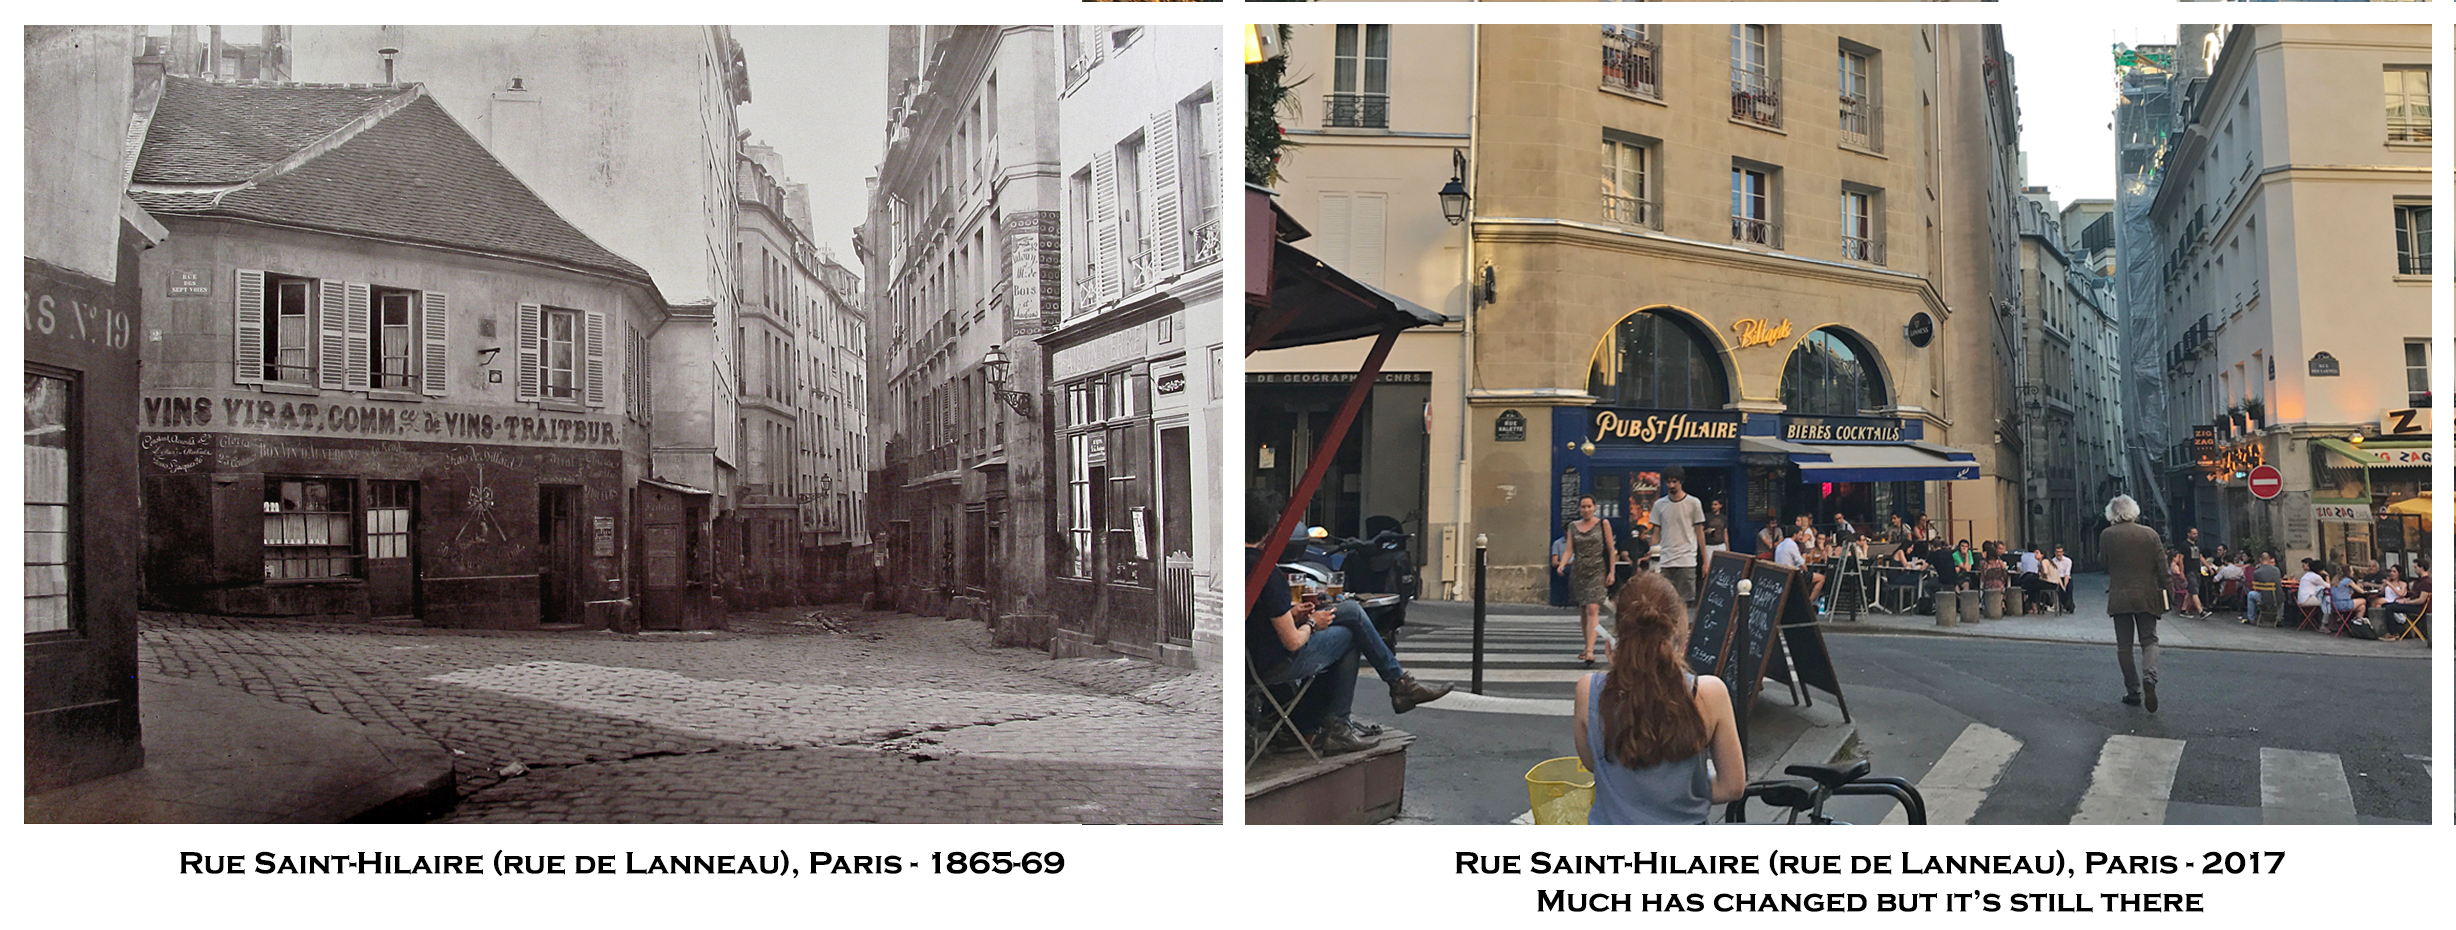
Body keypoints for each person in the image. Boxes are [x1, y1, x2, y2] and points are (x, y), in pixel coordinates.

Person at [1248, 496, 1452, 754]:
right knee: (1350, 633)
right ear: (1269, 532)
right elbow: (1292, 642)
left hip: (1250, 659)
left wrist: (1293, 614)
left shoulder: (1241, 565)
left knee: (1350, 613)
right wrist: (1312, 622)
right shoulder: (1266, 572)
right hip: (1270, 664)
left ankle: (1313, 724)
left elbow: (1258, 618)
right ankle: (1344, 723)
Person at [1573, 573, 1746, 824]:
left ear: (1617, 636)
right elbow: (1732, 786)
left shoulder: (1588, 690)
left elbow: (1593, 764)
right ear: (1678, 633)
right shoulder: (1709, 694)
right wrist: (1686, 792)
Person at [2101, 495, 2166, 712]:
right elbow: (2162, 568)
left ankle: (2133, 690)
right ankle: (2150, 676)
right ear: (2134, 511)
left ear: (2112, 513)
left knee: (2124, 646)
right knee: (2150, 640)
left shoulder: (2107, 535)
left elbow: (2103, 562)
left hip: (2120, 595)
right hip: (2147, 594)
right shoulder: (2150, 534)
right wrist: (2169, 594)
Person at [1556, 494, 1619, 666]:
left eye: (1589, 506)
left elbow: (1610, 548)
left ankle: (1591, 651)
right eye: (1583, 507)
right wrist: (1562, 564)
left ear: (1595, 507)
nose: (1586, 510)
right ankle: (1587, 645)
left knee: (1593, 608)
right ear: (1579, 509)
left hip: (1598, 570)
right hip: (1579, 571)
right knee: (1584, 610)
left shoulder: (1602, 524)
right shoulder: (1573, 527)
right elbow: (1569, 549)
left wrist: (1611, 572)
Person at [1649, 472, 1708, 605]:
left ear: (1681, 482)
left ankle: (1682, 626)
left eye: (1674, 481)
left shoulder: (1693, 503)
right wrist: (1653, 557)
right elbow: (1656, 532)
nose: (1671, 485)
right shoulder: (1659, 504)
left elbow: (1700, 532)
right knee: (1664, 602)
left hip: (1686, 560)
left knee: (1684, 603)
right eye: (1668, 482)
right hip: (1665, 559)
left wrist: (1705, 561)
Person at [1774, 525, 1827, 608]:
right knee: (1821, 578)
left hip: (1781, 575)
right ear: (1795, 534)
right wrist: (1807, 572)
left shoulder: (1780, 545)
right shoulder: (1791, 544)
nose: (1801, 537)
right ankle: (1809, 603)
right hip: (1794, 575)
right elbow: (1801, 563)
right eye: (1800, 534)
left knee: (1810, 579)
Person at [2382, 559, 2430, 638]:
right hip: (2412, 603)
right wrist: (2406, 600)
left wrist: (2406, 602)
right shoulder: (2419, 581)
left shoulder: (2426, 582)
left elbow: (2421, 600)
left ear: (2421, 568)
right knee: (2386, 605)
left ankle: (2393, 633)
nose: (2414, 570)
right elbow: (2414, 596)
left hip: (2418, 608)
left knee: (2390, 608)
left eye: (2415, 567)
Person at [2244, 551, 2283, 625]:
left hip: (2263, 598)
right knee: (2281, 596)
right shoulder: (2277, 570)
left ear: (2260, 560)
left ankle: (2251, 618)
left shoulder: (2257, 572)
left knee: (2250, 595)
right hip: (2276, 598)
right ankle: (2280, 618)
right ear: (2269, 560)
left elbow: (2257, 588)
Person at [1701, 498, 1731, 564]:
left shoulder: (1724, 518)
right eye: (1712, 505)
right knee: (1709, 564)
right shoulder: (1707, 516)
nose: (1713, 506)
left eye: (1715, 505)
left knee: (1722, 564)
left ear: (1720, 505)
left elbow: (1725, 533)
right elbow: (1700, 531)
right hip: (1710, 546)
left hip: (1721, 545)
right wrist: (1706, 531)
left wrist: (1727, 548)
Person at [2037, 547, 2066, 614]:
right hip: (2055, 583)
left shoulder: (2044, 561)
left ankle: (2040, 604)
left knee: (2033, 585)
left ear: (2042, 555)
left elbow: (2046, 572)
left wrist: (2042, 576)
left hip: (2050, 583)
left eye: (2037, 553)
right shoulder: (2050, 561)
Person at [2050, 545, 2076, 613]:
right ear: (2055, 552)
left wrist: (2065, 585)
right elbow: (2056, 575)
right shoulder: (2052, 561)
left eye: (2060, 552)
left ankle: (2070, 604)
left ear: (2063, 552)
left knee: (2069, 589)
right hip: (2057, 579)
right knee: (2061, 591)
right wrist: (2062, 586)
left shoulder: (2068, 561)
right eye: (2057, 552)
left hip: (2066, 578)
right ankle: (2065, 604)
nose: (2059, 554)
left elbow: (2067, 574)